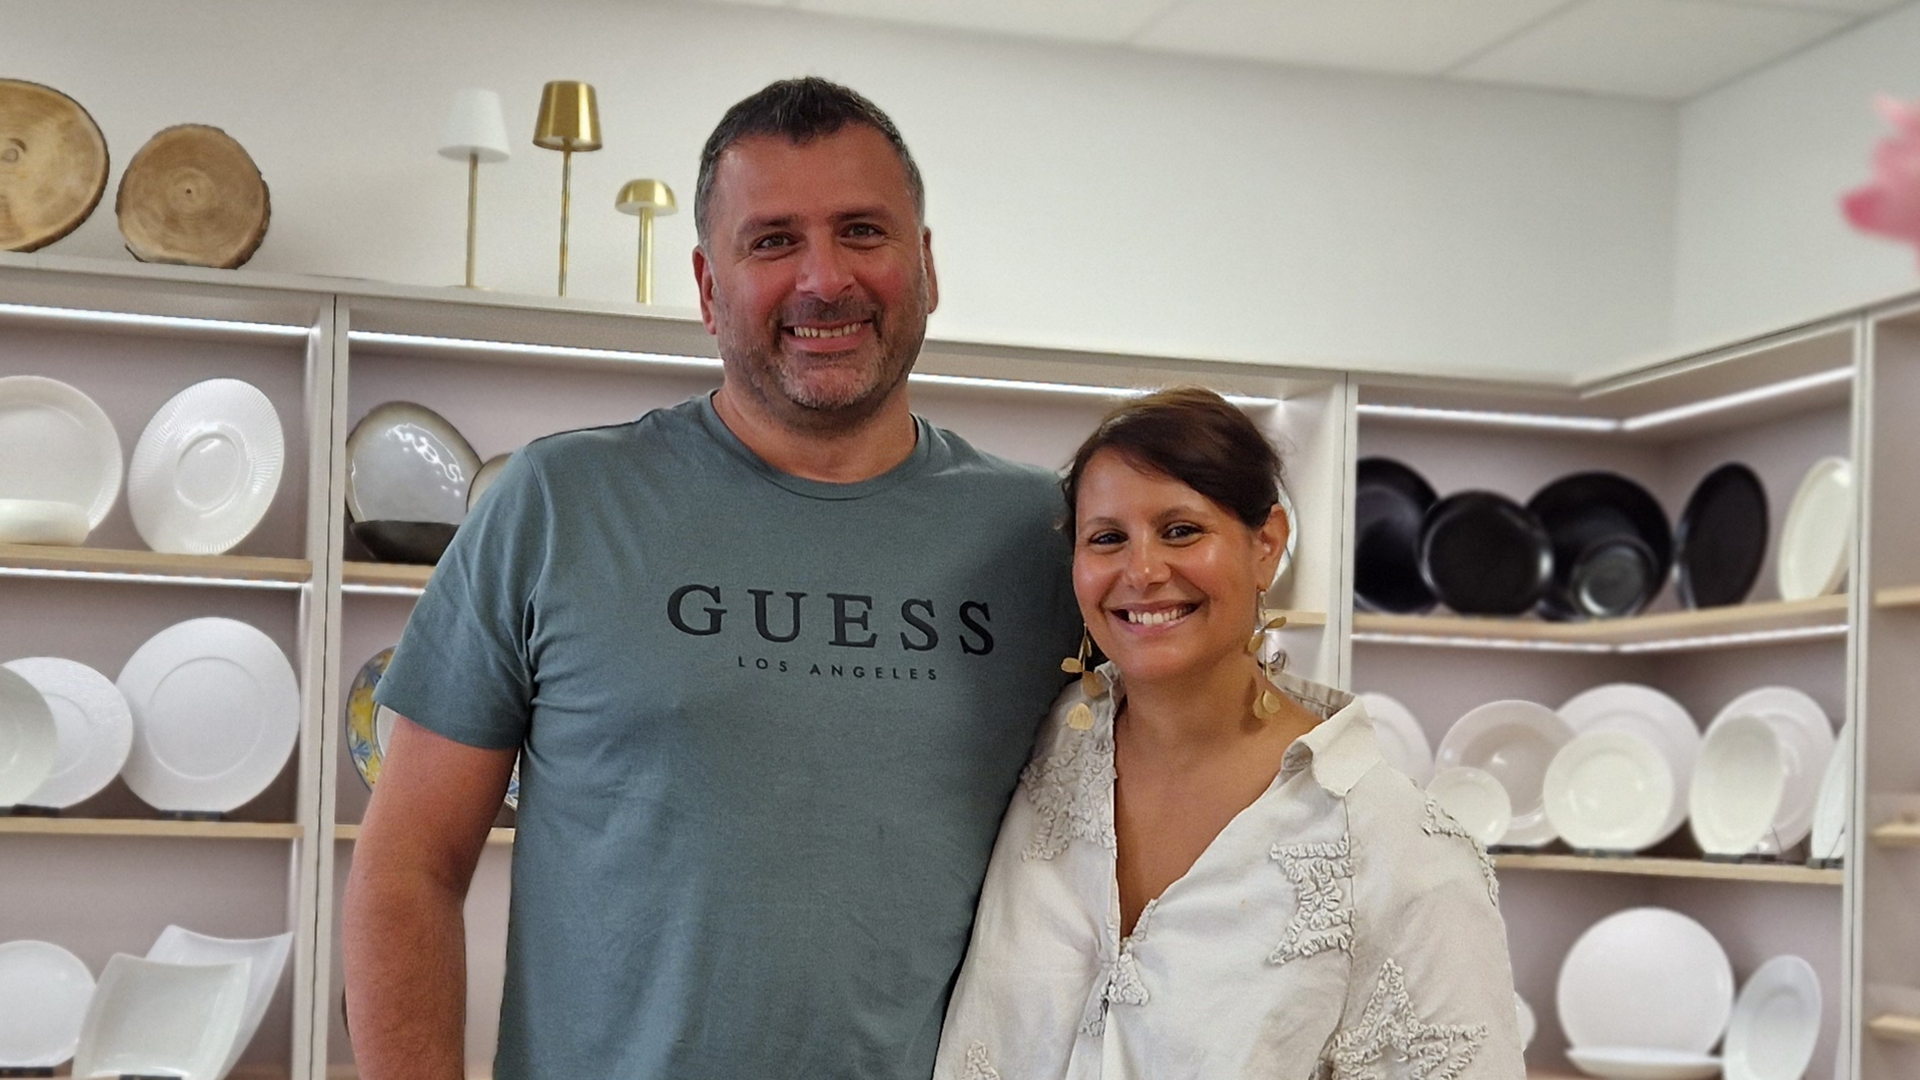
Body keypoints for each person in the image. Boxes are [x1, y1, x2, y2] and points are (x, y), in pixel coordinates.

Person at [341, 78, 1078, 1080]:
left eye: (863, 231)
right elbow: (408, 867)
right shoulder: (558, 503)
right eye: (772, 241)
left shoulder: (1046, 537)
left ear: (927, 264)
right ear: (706, 285)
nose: (825, 278)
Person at [933, 387, 1525, 1079]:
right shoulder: (1042, 746)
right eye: (1107, 538)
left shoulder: (1400, 853)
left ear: (1267, 545)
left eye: (1181, 530)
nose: (1142, 571)